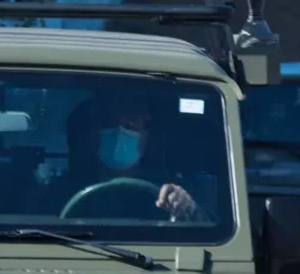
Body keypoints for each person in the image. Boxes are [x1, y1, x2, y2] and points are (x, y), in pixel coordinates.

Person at [42, 94, 203, 221]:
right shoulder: (62, 192)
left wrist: (188, 208)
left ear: (147, 136)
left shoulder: (168, 192)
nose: (119, 134)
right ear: (88, 135)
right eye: (108, 124)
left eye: (130, 126)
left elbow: (208, 231)